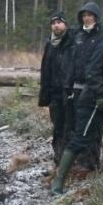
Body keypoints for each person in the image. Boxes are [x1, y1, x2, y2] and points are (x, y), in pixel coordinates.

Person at [51, 3, 103, 195]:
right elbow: (70, 63)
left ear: (97, 17)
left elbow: (99, 69)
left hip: (95, 90)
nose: (87, 18)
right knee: (76, 132)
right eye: (84, 15)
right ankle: (61, 178)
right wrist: (68, 87)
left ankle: (91, 167)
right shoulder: (76, 36)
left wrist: (102, 92)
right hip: (76, 91)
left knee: (92, 132)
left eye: (90, 15)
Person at [37, 11, 73, 164]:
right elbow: (46, 69)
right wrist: (45, 95)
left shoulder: (72, 42)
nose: (56, 25)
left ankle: (70, 161)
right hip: (54, 94)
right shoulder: (49, 44)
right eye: (53, 23)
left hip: (69, 93)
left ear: (65, 24)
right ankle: (58, 160)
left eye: (59, 22)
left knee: (69, 127)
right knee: (57, 127)